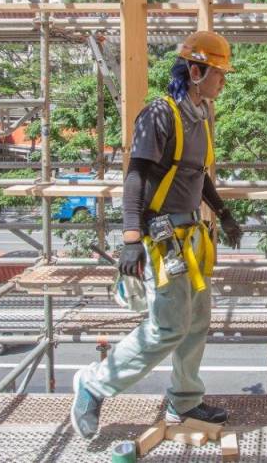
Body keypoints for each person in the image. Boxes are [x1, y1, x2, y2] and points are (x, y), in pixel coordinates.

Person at [71, 30, 243, 439]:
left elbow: (195, 176)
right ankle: (94, 384)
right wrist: (131, 237)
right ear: (196, 70)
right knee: (167, 326)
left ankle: (184, 399)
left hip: (190, 234)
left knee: (197, 321)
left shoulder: (199, 117)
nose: (223, 80)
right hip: (161, 235)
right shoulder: (159, 114)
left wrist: (224, 213)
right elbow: (136, 177)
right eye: (219, 73)